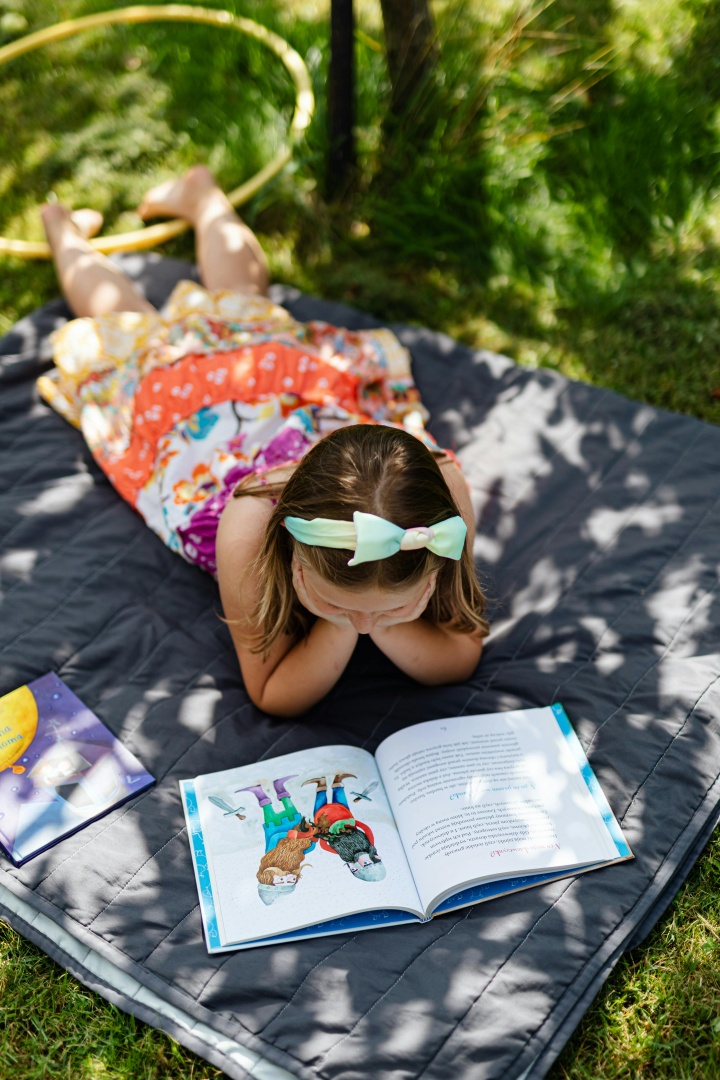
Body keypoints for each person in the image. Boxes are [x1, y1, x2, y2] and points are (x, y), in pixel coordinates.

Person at [37, 167, 489, 718]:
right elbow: (273, 692)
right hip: (199, 425)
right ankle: (61, 227)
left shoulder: (443, 501)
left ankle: (203, 196)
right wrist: (349, 624)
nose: (366, 623)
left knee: (246, 308)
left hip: (299, 408)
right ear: (293, 556)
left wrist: (370, 621)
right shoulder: (248, 528)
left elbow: (461, 654)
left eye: (390, 609)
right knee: (134, 331)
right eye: (339, 604)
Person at [289, 773, 386, 883]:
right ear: (376, 859)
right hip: (344, 816)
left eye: (354, 869)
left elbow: (325, 847)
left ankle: (321, 784)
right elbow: (367, 829)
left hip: (325, 825)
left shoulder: (344, 854)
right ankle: (338, 781)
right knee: (340, 801)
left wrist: (324, 835)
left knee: (320, 806)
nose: (357, 862)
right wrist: (352, 822)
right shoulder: (369, 845)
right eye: (366, 863)